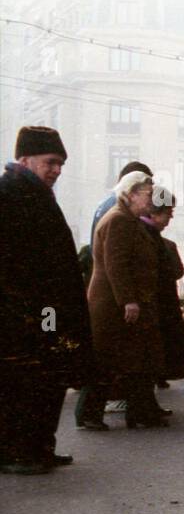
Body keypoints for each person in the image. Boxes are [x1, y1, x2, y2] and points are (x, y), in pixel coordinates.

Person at [0, 126, 93, 474]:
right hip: (23, 315)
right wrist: (23, 310)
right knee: (23, 382)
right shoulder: (10, 194)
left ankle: (40, 446)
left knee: (47, 378)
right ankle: (17, 452)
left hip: (46, 312)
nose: (56, 170)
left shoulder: (34, 193)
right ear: (24, 159)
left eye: (60, 165)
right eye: (50, 162)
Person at [83, 171, 169, 428]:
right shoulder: (118, 220)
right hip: (112, 305)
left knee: (133, 360)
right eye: (147, 193)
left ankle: (139, 412)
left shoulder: (127, 218)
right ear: (131, 193)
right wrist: (128, 301)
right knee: (107, 361)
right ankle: (88, 414)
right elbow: (116, 265)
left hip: (119, 303)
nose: (152, 198)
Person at [142, 189, 184, 386]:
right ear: (154, 212)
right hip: (156, 306)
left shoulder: (152, 235)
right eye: (168, 213)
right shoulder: (148, 235)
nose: (170, 218)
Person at [89, 161, 152, 257]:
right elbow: (117, 261)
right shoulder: (119, 214)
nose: (151, 199)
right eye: (148, 193)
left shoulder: (108, 203)